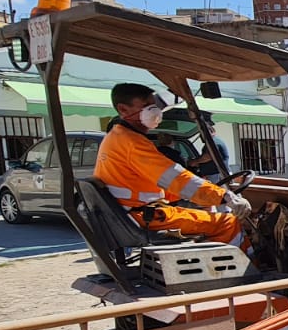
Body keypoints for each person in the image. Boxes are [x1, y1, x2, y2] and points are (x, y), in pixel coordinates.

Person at [94, 82, 252, 248]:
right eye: (147, 107)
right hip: (146, 217)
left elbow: (159, 185)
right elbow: (176, 178)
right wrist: (225, 196)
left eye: (153, 106)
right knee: (227, 222)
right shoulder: (131, 142)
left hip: (136, 214)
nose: (154, 112)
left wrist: (201, 194)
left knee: (204, 216)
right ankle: (248, 270)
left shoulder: (117, 137)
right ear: (123, 110)